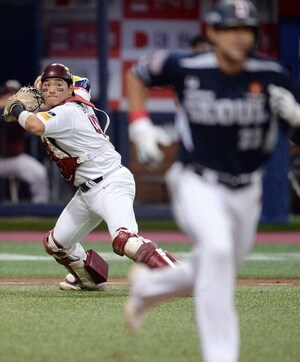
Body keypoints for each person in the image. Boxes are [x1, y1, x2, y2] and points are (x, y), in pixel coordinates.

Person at [123, 1, 300, 361]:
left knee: (217, 264)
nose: (240, 36)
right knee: (217, 250)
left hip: (247, 188)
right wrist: (140, 125)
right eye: (231, 29)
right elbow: (137, 75)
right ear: (212, 32)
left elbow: (294, 137)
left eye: (247, 30)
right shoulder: (185, 65)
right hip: (195, 181)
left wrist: (297, 119)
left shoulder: (272, 74)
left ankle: (148, 289)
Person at [4, 63, 178, 291]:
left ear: (69, 91)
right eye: (47, 86)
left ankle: (182, 278)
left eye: (59, 86)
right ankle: (89, 279)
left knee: (125, 241)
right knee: (56, 244)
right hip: (87, 191)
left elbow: (35, 125)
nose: (52, 90)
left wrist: (17, 107)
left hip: (111, 182)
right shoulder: (78, 94)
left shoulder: (67, 111)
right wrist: (44, 82)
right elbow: (83, 82)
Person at [0, 80, 49, 204]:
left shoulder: (23, 108)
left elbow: (45, 107)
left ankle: (40, 207)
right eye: (8, 94)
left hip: (17, 159)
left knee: (39, 173)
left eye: (14, 94)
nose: (10, 97)